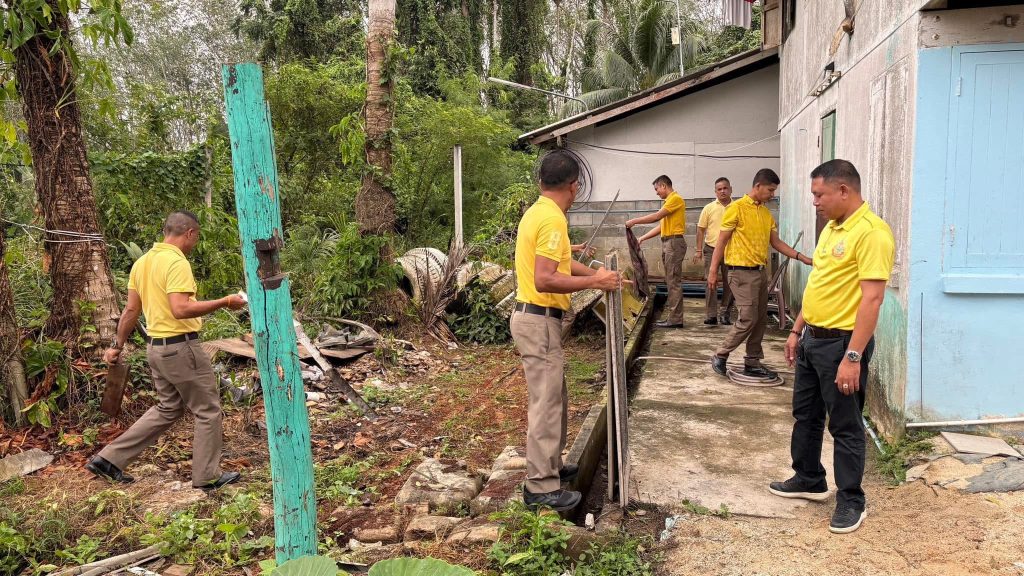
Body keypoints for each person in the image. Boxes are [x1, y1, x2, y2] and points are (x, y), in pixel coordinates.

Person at [769, 160, 894, 535]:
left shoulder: (872, 233)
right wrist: (796, 330)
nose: (815, 202)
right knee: (805, 415)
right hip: (812, 339)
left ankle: (852, 499)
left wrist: (852, 357)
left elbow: (872, 300)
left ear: (843, 190)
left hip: (842, 344)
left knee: (844, 424)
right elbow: (819, 285)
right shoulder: (832, 229)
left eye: (819, 194)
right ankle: (809, 478)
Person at [87, 211, 246, 489]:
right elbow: (180, 309)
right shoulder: (176, 262)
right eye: (196, 237)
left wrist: (116, 346)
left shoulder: (142, 263)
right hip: (181, 348)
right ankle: (207, 476)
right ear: (190, 233)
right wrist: (225, 301)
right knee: (208, 410)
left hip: (156, 350)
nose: (195, 243)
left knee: (168, 407)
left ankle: (108, 459)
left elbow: (131, 310)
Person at [512, 150, 622, 512]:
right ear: (574, 186)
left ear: (541, 181)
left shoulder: (539, 212)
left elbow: (562, 263)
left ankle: (553, 466)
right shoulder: (552, 219)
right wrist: (596, 282)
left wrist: (597, 274)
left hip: (537, 320)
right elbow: (545, 278)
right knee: (545, 403)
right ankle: (540, 486)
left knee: (555, 396)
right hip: (539, 319)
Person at [707, 169, 813, 378]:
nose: (772, 194)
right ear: (758, 186)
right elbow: (722, 241)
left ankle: (752, 361)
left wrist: (802, 258)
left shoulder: (765, 214)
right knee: (748, 318)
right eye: (770, 190)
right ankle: (721, 354)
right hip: (739, 272)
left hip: (759, 273)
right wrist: (712, 271)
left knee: (760, 319)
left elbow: (776, 243)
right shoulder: (736, 208)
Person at [626, 175, 687, 328]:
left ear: (664, 186)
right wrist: (643, 238)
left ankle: (676, 319)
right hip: (669, 242)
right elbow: (661, 226)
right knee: (670, 280)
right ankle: (674, 317)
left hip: (674, 243)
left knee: (673, 282)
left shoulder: (675, 199)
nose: (656, 192)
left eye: (657, 189)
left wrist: (634, 221)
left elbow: (656, 217)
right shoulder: (669, 203)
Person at [693, 177, 735, 325]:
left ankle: (725, 313)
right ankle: (711, 315)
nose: (723, 191)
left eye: (725, 188)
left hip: (731, 250)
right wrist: (698, 250)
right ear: (715, 192)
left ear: (731, 189)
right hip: (711, 249)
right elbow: (700, 229)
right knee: (711, 281)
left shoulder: (737, 207)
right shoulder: (709, 208)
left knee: (730, 282)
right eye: (719, 189)